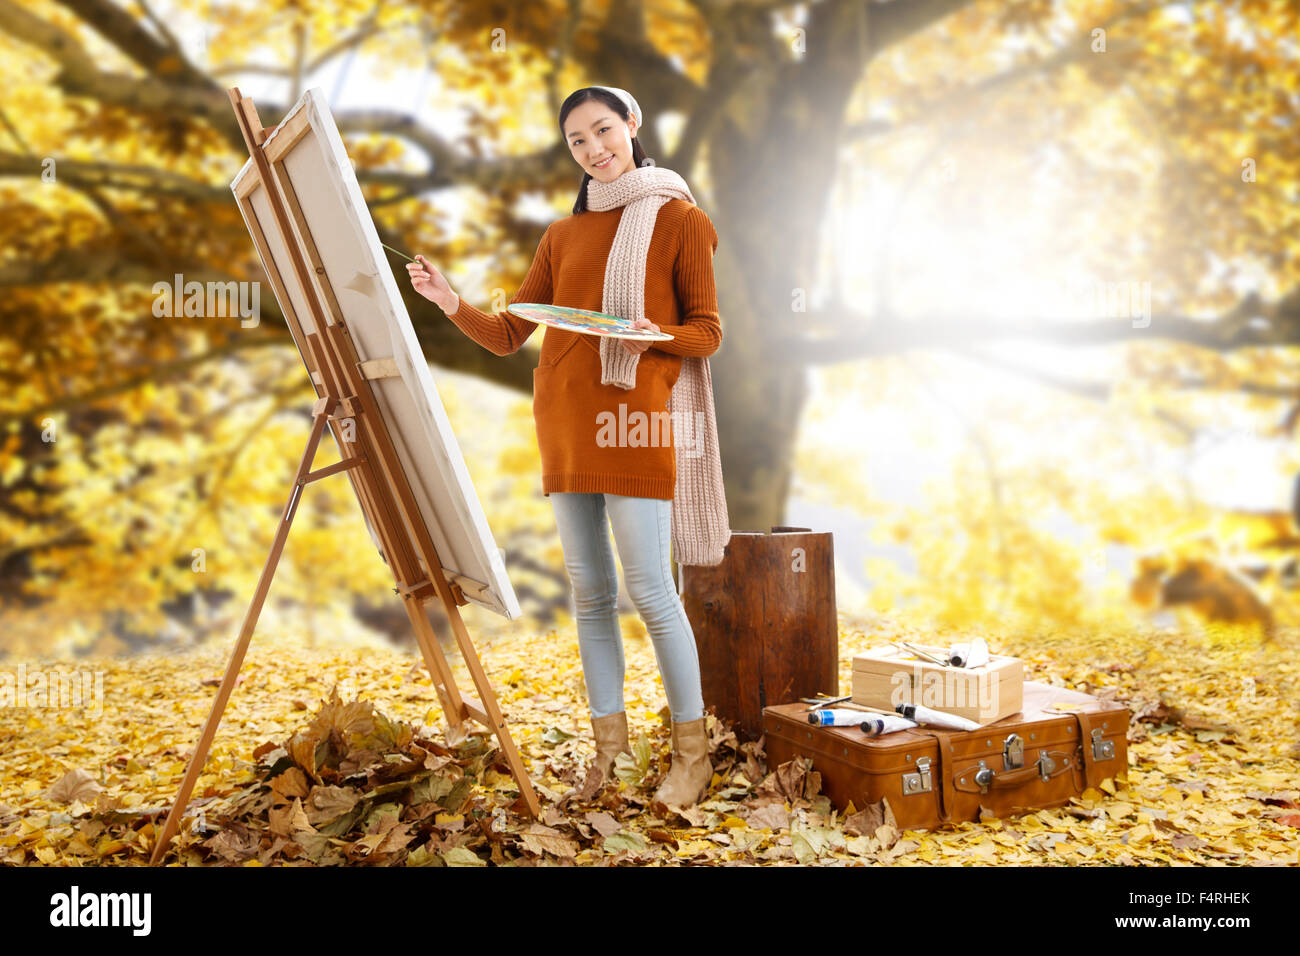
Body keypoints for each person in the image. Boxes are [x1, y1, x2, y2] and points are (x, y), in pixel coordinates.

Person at [406, 86, 730, 810]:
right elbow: (509, 333)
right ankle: (609, 757)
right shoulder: (561, 234)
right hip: (563, 422)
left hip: (637, 423)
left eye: (603, 130)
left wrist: (652, 337)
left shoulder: (682, 220)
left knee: (650, 590)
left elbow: (707, 331)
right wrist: (449, 300)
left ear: (632, 125)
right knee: (591, 596)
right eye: (578, 141)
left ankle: (692, 754)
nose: (593, 149)